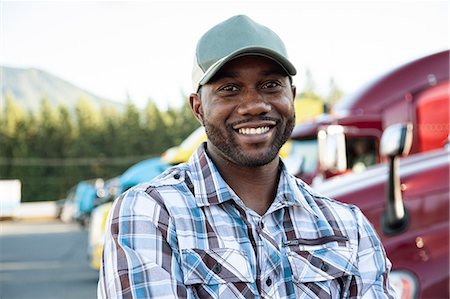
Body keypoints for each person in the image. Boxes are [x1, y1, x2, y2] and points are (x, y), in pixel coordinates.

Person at [98, 15, 397, 298]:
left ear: (291, 96)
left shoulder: (347, 227)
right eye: (230, 89)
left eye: (270, 85)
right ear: (198, 108)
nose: (254, 105)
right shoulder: (152, 213)